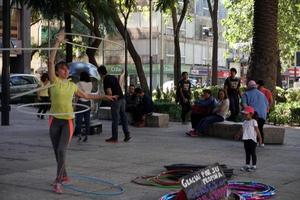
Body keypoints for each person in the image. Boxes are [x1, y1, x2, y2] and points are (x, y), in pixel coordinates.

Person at [48, 31, 116, 194]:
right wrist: (57, 42)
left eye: (66, 69)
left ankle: (58, 181)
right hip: (54, 120)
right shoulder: (54, 81)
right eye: (62, 69)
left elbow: (87, 96)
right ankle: (64, 175)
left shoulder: (73, 86)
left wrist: (104, 96)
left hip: (68, 121)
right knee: (57, 151)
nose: (65, 71)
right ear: (57, 72)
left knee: (62, 150)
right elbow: (50, 61)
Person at [97, 65, 131, 143]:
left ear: (100, 73)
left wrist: (108, 98)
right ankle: (127, 134)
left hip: (115, 100)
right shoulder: (113, 77)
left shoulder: (106, 79)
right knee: (123, 117)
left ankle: (114, 137)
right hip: (122, 99)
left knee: (115, 119)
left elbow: (109, 92)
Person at [241, 80, 268, 147]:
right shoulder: (262, 94)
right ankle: (261, 143)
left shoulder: (246, 94)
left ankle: (253, 141)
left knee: (252, 128)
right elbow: (267, 104)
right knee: (260, 128)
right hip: (263, 114)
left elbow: (244, 105)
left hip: (253, 114)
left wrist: (247, 113)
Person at [236, 106, 262, 172]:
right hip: (246, 139)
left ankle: (254, 166)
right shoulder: (244, 122)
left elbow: (257, 130)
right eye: (244, 114)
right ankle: (247, 165)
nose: (245, 115)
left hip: (252, 140)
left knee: (253, 153)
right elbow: (242, 129)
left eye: (246, 114)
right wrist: (238, 135)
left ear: (251, 114)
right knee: (247, 153)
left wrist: (260, 138)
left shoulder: (254, 121)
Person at [74, 71, 93, 142]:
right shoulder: (90, 84)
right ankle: (86, 135)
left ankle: (79, 135)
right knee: (87, 120)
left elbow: (77, 95)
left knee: (79, 119)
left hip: (80, 102)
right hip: (88, 102)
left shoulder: (78, 84)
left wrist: (75, 104)